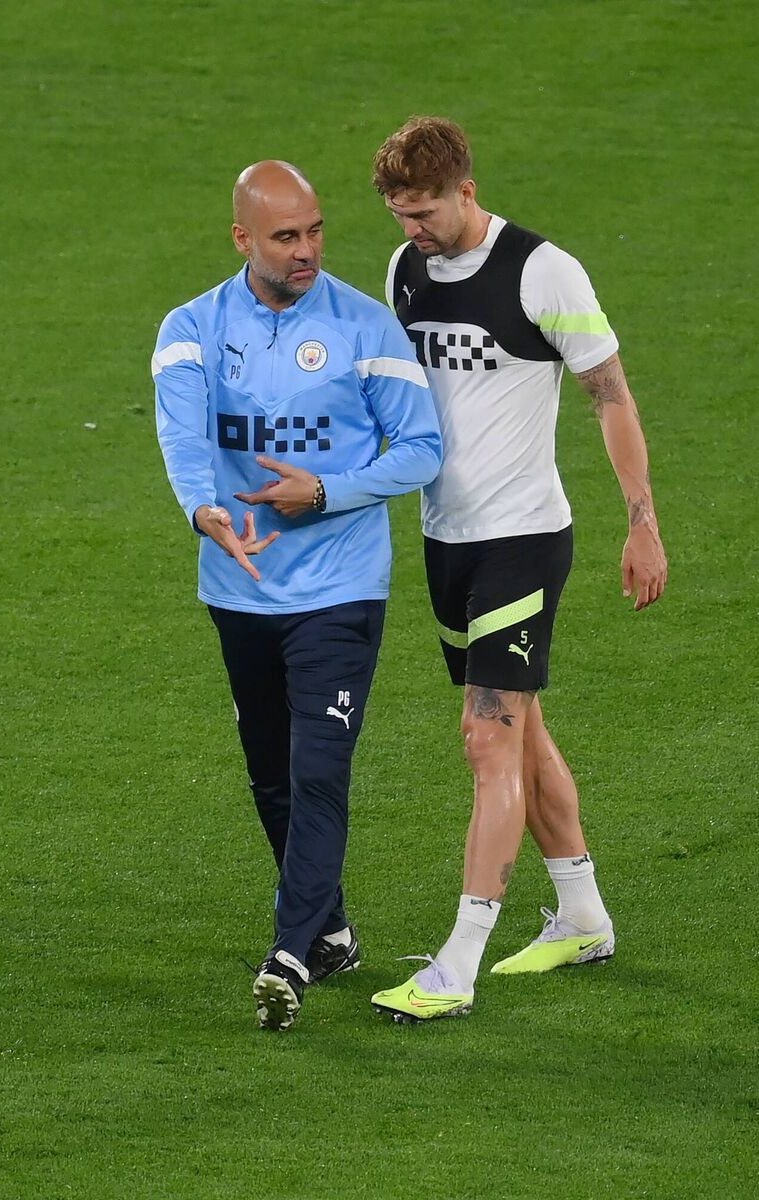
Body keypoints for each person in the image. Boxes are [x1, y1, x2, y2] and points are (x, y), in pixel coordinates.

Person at [368, 117, 667, 1022]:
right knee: (524, 733)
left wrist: (641, 522)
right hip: (446, 539)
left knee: (485, 738)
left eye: (424, 211)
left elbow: (610, 398)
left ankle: (457, 964)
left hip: (524, 537)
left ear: (466, 189)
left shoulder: (544, 270)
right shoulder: (403, 271)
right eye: (397, 213)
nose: (411, 228)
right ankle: (581, 913)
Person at [153, 160, 442, 1031]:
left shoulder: (366, 326)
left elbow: (421, 449)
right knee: (273, 779)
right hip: (239, 584)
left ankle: (289, 954)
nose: (308, 249)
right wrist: (204, 511)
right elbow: (183, 435)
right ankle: (334, 931)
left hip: (340, 588)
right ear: (243, 238)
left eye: (315, 230)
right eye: (287, 236)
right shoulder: (192, 330)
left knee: (318, 769)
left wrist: (323, 492)